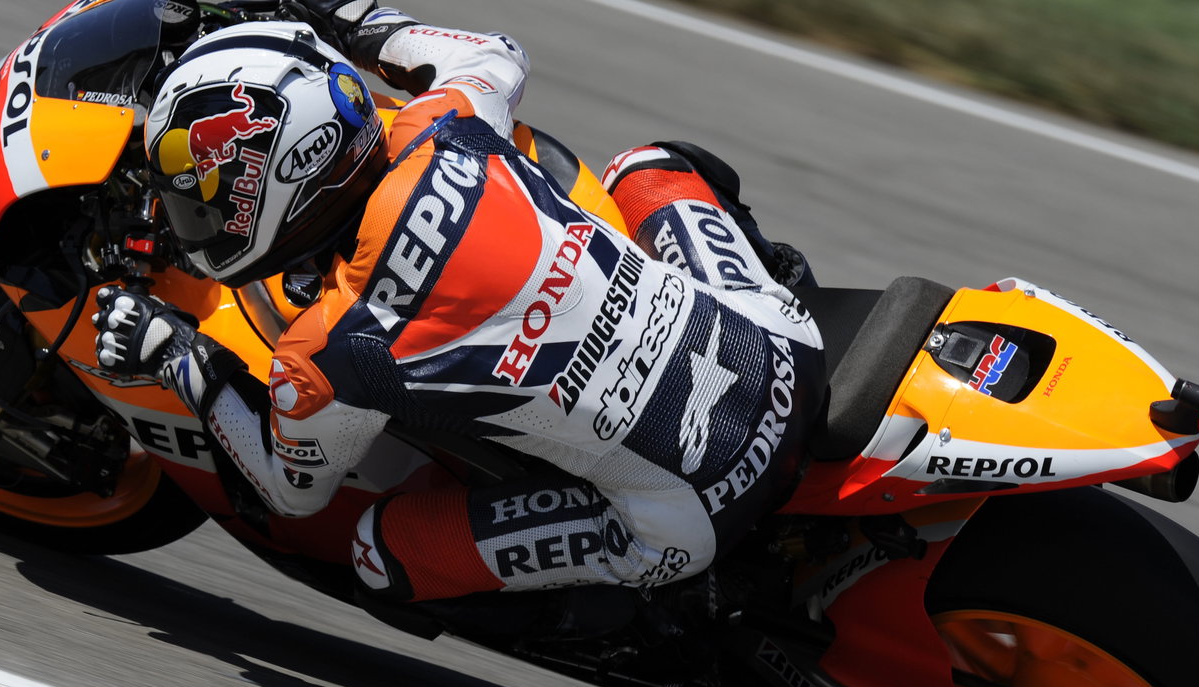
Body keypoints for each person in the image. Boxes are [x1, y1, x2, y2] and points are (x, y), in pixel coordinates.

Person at [92, 1, 826, 639]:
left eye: (203, 202)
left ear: (278, 187)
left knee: (380, 554)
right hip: (787, 346)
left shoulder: (334, 344)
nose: (190, 219)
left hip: (690, 517)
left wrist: (175, 355)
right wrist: (348, 19)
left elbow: (290, 491)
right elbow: (493, 54)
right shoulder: (446, 125)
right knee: (648, 166)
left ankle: (647, 613)